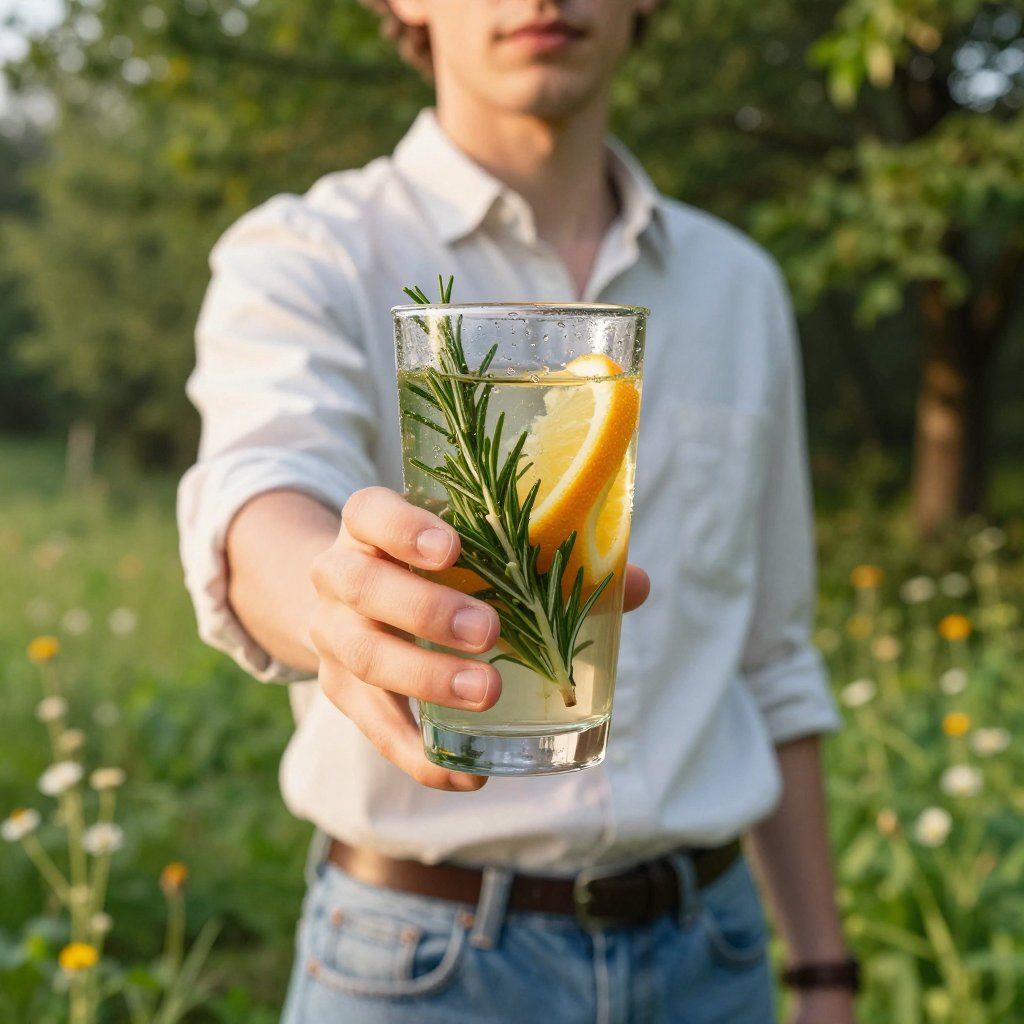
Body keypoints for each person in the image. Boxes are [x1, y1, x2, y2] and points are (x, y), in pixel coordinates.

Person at [177, 1, 859, 1021]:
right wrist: (338, 609)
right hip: (419, 966)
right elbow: (259, 495)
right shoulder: (306, 252)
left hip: (715, 958)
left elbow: (772, 659)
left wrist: (823, 970)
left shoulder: (739, 287)